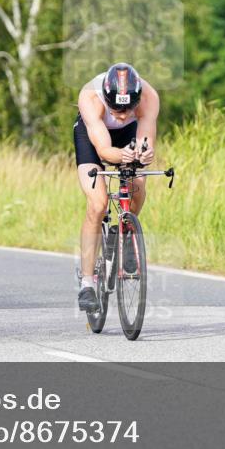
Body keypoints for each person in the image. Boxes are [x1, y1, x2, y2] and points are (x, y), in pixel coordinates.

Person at [73, 62, 160, 312]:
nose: (121, 115)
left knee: (138, 187)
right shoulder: (90, 97)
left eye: (127, 110)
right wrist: (119, 155)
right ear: (107, 98)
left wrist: (144, 154)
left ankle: (125, 233)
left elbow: (145, 139)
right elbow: (103, 150)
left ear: (137, 99)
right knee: (98, 203)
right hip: (94, 136)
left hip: (128, 135)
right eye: (116, 110)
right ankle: (87, 283)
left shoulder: (149, 96)